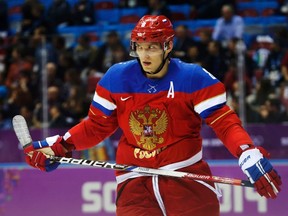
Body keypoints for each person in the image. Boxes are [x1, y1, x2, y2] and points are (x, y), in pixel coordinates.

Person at [24, 15, 282, 216]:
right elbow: (96, 126)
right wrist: (58, 146)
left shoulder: (193, 78)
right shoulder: (117, 78)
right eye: (139, 47)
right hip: (135, 179)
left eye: (152, 47)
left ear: (168, 46)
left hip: (187, 178)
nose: (144, 55)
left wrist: (248, 154)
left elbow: (224, 123)